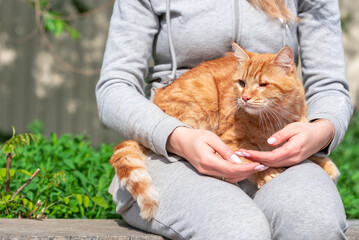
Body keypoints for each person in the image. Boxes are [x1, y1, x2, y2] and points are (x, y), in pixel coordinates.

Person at [96, 0, 353, 239]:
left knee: (314, 221)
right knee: (238, 228)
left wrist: (321, 131)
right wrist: (176, 136)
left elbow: (328, 85)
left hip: (272, 150)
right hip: (171, 144)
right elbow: (114, 87)